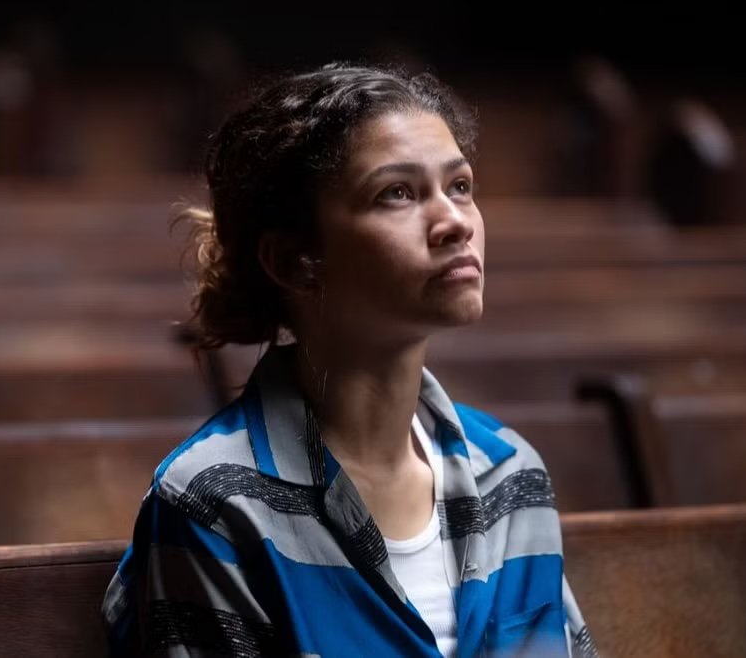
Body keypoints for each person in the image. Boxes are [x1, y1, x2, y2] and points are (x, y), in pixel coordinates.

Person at [102, 62, 595, 657]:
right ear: (293, 261)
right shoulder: (215, 504)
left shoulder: (510, 475)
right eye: (397, 193)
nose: (454, 222)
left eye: (460, 186)